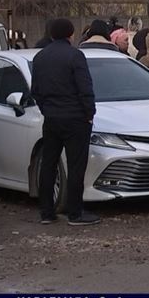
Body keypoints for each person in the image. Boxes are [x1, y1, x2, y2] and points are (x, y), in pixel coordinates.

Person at [30, 18, 99, 226]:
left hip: (51, 118)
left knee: (49, 164)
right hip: (76, 118)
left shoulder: (40, 57)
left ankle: (46, 212)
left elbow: (36, 90)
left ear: (51, 34)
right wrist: (89, 113)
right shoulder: (75, 56)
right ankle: (75, 212)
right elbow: (85, 87)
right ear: (71, 34)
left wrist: (47, 109)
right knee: (76, 165)